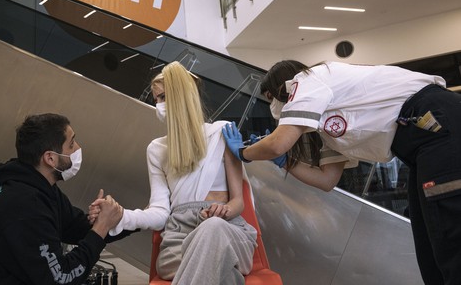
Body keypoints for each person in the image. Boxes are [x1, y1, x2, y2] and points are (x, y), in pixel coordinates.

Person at [222, 60, 461, 285]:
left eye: (271, 99)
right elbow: (327, 179)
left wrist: (244, 153)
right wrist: (285, 162)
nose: (274, 108)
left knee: (449, 238)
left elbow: (277, 142)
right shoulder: (325, 120)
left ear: (282, 88)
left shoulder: (308, 80)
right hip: (420, 145)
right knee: (430, 246)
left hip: (435, 124)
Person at [93, 61, 257, 285]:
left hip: (226, 230)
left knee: (213, 229)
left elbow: (239, 201)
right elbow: (160, 212)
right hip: (178, 239)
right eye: (156, 99)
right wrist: (122, 216)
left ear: (181, 96)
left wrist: (225, 210)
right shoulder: (156, 149)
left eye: (162, 97)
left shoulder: (221, 132)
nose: (158, 105)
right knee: (221, 269)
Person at [0, 113, 125, 285]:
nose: (78, 149)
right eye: (71, 144)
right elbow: (61, 278)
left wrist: (137, 217)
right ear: (50, 158)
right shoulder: (24, 205)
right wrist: (100, 229)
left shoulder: (41, 189)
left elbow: (77, 227)